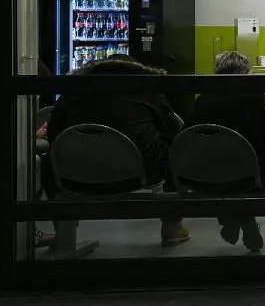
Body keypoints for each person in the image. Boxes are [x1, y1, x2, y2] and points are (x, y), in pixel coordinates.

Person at [45, 54, 189, 246]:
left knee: (49, 161)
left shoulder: (74, 89)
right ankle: (172, 227)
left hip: (75, 172)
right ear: (136, 69)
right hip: (141, 170)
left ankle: (63, 234)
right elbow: (173, 131)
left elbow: (54, 131)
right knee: (175, 152)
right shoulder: (147, 88)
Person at [190, 51, 265, 252]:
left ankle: (233, 220)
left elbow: (188, 136)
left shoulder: (203, 99)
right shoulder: (256, 98)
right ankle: (242, 221)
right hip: (251, 171)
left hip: (209, 172)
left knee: (226, 171)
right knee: (243, 173)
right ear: (246, 73)